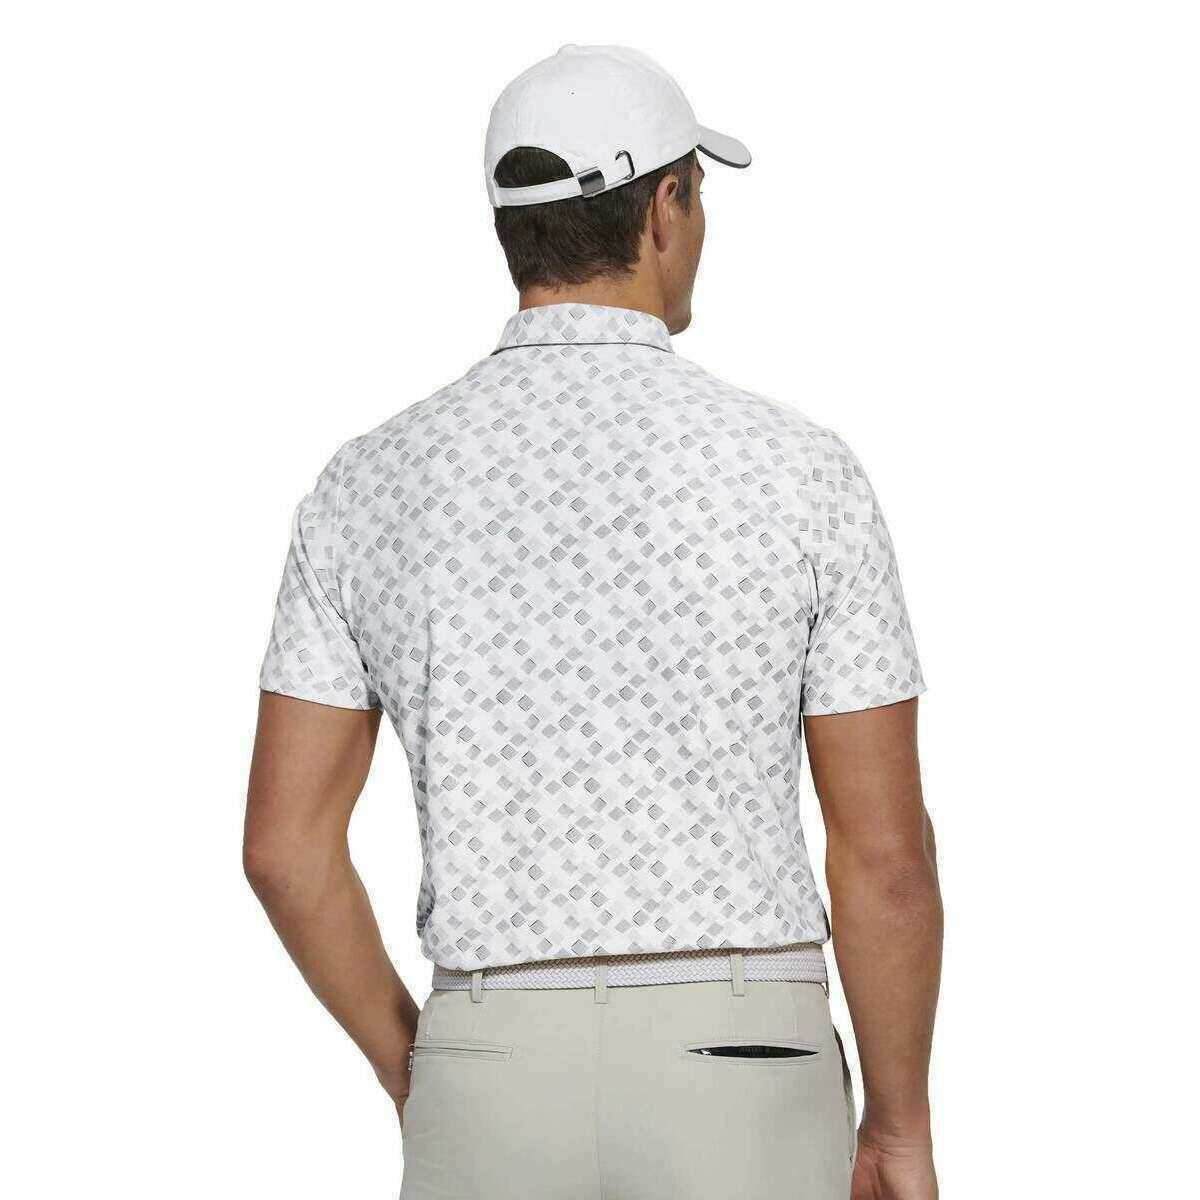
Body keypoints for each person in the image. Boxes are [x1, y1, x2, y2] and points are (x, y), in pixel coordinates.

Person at [244, 44, 942, 1200]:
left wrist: (419, 1067)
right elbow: (887, 859)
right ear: (665, 210)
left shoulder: (365, 487)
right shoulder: (802, 473)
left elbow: (284, 847)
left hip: (489, 1070)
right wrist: (900, 1125)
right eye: (698, 196)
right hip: (747, 1068)